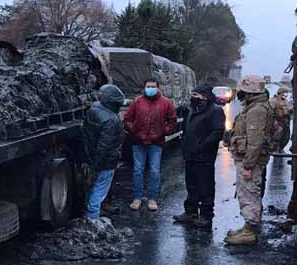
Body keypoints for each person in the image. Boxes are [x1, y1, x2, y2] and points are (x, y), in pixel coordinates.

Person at [225, 74, 274, 246]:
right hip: (247, 159)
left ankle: (249, 231)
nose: (239, 94)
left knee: (249, 192)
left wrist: (248, 166)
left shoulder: (257, 110)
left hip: (250, 161)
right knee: (246, 191)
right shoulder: (254, 107)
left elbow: (255, 141)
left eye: (242, 91)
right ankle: (247, 226)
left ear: (249, 92)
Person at [173, 85, 225, 229]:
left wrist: (202, 146)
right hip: (190, 154)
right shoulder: (193, 109)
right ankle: (191, 212)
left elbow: (217, 132)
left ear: (205, 96)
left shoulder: (215, 111)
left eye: (196, 95)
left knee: (205, 186)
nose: (193, 97)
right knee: (191, 185)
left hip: (204, 156)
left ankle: (206, 216)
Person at [123, 79, 177, 212]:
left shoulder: (166, 103)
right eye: (148, 86)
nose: (150, 88)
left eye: (153, 86)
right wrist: (133, 130)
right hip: (138, 141)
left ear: (158, 88)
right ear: (144, 87)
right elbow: (127, 118)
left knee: (154, 171)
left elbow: (172, 120)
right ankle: (137, 197)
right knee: (138, 170)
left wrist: (164, 132)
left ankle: (152, 198)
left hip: (156, 142)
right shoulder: (137, 102)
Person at [82, 84, 126, 220]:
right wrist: (97, 166)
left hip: (90, 156)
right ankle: (92, 219)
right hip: (105, 163)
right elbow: (105, 147)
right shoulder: (112, 120)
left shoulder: (93, 110)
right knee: (99, 190)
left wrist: (91, 164)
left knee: (91, 188)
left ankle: (88, 215)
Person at [269, 86, 292, 152]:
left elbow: (288, 109)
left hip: (285, 122)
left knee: (286, 137)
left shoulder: (286, 101)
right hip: (277, 122)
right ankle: (275, 149)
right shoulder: (273, 100)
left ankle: (281, 148)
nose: (286, 95)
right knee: (276, 137)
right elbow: (270, 111)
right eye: (285, 93)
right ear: (280, 93)